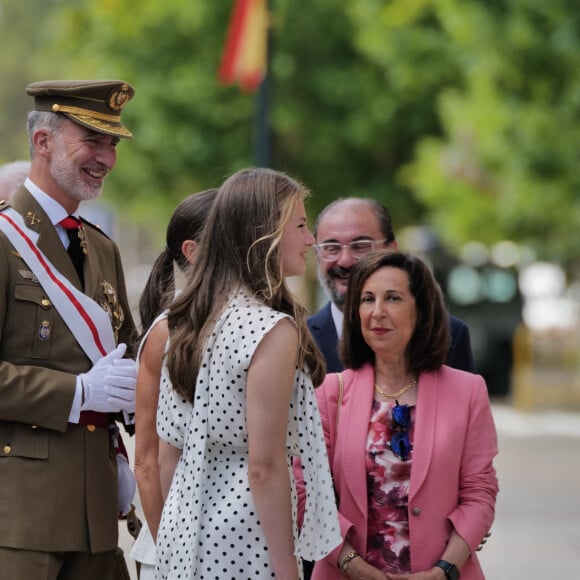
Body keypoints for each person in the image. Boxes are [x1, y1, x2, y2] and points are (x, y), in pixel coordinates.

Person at [154, 167, 341, 579]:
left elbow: (169, 455)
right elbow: (265, 466)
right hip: (247, 539)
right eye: (300, 225)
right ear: (264, 234)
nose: (310, 240)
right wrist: (288, 570)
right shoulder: (269, 330)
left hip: (185, 537)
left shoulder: (189, 320)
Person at [0, 80, 139, 580]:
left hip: (100, 512)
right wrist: (76, 392)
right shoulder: (3, 240)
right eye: (93, 141)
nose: (106, 158)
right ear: (42, 142)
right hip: (21, 517)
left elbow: (129, 353)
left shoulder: (103, 249)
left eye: (113, 144)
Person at [298, 250, 498, 579]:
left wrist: (444, 569)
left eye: (393, 298)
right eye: (366, 299)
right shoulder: (331, 392)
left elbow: (480, 491)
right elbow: (305, 494)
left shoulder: (468, 391)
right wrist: (352, 564)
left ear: (420, 310)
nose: (377, 312)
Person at [130, 188, 219, 580]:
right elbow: (147, 461)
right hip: (173, 550)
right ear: (193, 251)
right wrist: (171, 551)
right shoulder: (168, 333)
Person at [308, 198, 475, 373]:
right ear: (317, 255)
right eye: (331, 248)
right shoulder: (298, 342)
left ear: (391, 250)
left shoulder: (447, 336)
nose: (345, 261)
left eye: (360, 246)